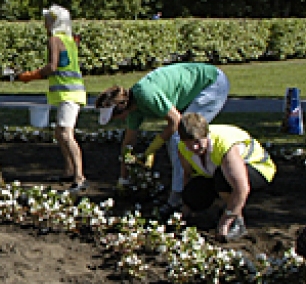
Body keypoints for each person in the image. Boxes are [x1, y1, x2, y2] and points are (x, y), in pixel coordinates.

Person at [96, 62, 230, 207]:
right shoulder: (133, 109)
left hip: (212, 84)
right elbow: (128, 144)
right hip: (198, 86)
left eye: (116, 117)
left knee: (180, 138)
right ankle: (187, 184)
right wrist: (123, 179)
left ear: (122, 108)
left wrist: (153, 148)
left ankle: (178, 195)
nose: (118, 120)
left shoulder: (146, 95)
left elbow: (177, 121)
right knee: (179, 139)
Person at [17, 5, 88, 194]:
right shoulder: (69, 39)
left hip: (68, 93)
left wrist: (29, 76)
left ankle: (79, 177)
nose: (44, 23)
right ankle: (69, 170)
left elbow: (52, 67)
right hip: (73, 92)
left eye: (47, 20)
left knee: (65, 134)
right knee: (59, 133)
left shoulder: (54, 40)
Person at [175, 113, 276, 241]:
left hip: (258, 169)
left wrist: (225, 221)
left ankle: (237, 221)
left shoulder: (225, 145)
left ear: (206, 135)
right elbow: (188, 174)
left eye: (197, 142)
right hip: (218, 172)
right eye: (189, 144)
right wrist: (186, 206)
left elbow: (242, 188)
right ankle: (222, 206)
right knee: (193, 195)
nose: (194, 147)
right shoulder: (183, 148)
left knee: (222, 180)